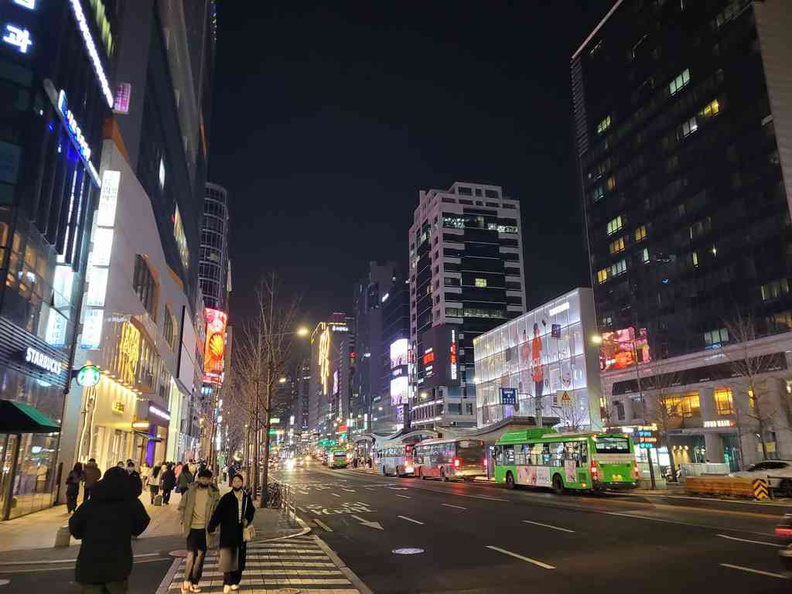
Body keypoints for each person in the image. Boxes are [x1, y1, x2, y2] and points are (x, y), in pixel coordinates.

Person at [69, 466, 150, 593]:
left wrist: (87, 534)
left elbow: (74, 527)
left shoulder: (91, 503)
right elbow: (142, 523)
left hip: (90, 563)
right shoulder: (131, 503)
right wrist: (128, 530)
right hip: (118, 564)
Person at [209, 474, 255, 593]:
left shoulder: (246, 497)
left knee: (240, 557)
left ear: (242, 483)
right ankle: (227, 581)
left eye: (239, 481)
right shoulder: (227, 497)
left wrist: (247, 520)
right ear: (231, 483)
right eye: (235, 481)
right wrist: (212, 525)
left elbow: (251, 511)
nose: (237, 483)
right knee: (227, 558)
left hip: (241, 531)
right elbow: (218, 513)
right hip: (228, 531)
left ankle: (235, 581)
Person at [178, 469, 220, 593]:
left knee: (201, 556)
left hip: (205, 529)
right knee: (191, 554)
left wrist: (215, 526)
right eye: (202, 478)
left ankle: (195, 581)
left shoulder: (214, 494)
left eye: (207, 479)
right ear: (198, 478)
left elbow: (217, 512)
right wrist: (183, 521)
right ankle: (186, 581)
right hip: (192, 528)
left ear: (210, 480)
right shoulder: (191, 491)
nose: (204, 481)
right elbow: (182, 506)